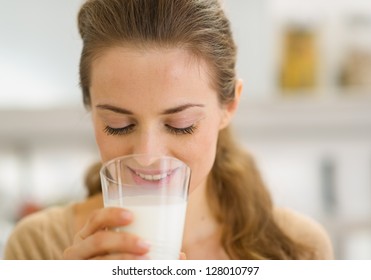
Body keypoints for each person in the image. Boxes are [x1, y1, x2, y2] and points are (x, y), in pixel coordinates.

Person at [4, 0, 333, 260]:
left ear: (229, 106)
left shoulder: (299, 251)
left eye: (180, 125)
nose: (147, 157)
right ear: (90, 109)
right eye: (118, 125)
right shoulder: (39, 248)